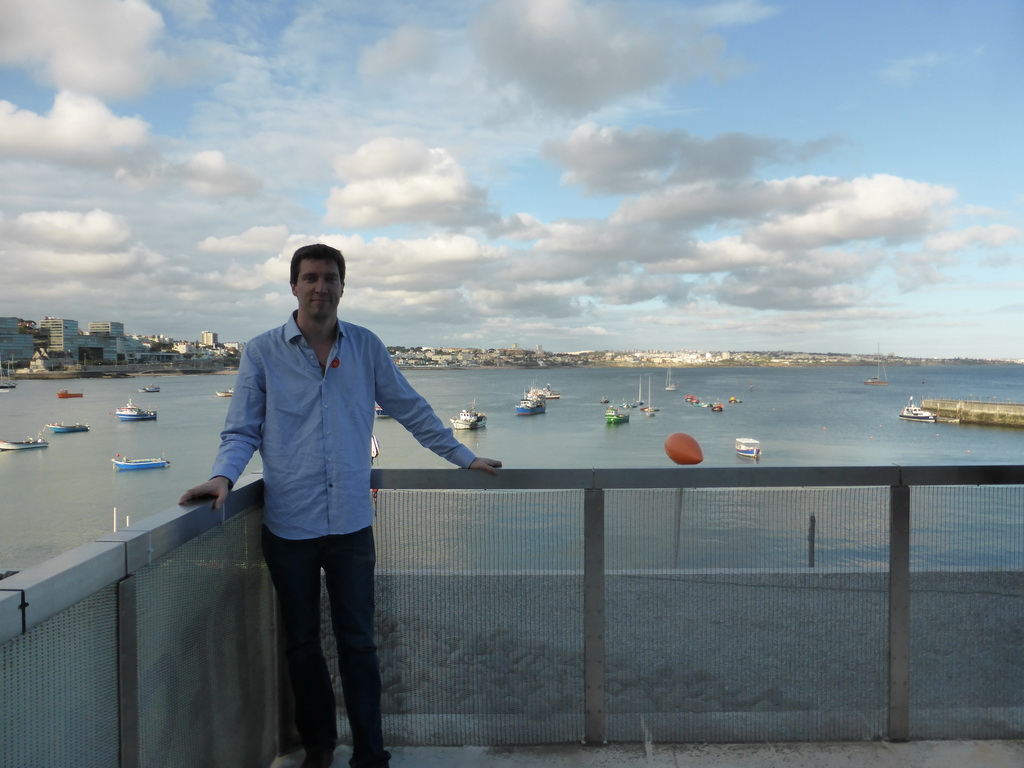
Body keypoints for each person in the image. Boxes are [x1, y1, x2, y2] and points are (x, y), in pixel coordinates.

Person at [179, 243, 501, 768]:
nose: (319, 287)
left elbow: (411, 409)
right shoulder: (262, 353)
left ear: (342, 287)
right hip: (289, 526)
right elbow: (241, 430)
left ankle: (371, 754)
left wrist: (463, 457)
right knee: (302, 647)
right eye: (309, 278)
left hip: (351, 523)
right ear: (293, 286)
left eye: (329, 278)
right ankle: (320, 748)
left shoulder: (367, 347)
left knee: (359, 644)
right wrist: (222, 478)